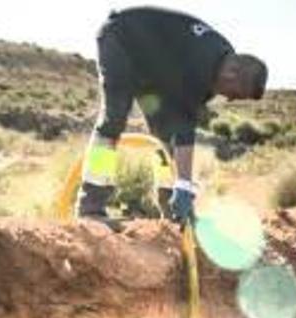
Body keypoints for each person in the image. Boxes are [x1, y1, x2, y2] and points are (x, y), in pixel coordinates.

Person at [78, 7, 268, 227]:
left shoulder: (222, 61)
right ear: (231, 73)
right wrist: (185, 186)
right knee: (114, 120)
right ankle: (90, 207)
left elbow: (180, 129)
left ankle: (170, 209)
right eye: (236, 94)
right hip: (122, 39)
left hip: (155, 65)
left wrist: (182, 186)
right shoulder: (201, 66)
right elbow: (186, 129)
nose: (230, 99)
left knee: (164, 136)